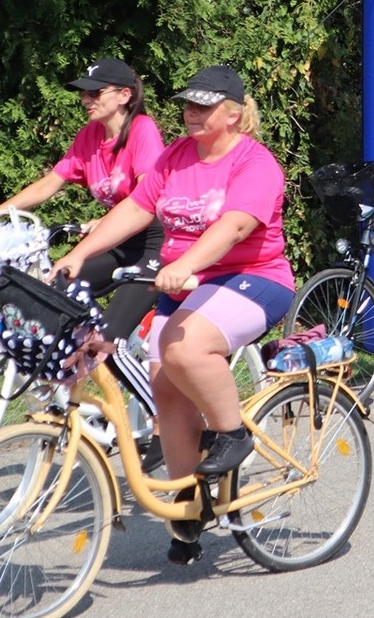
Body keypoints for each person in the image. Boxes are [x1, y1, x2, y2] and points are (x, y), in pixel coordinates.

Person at [53, 65, 293, 565]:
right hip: (188, 281)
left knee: (185, 349)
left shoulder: (256, 162)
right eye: (188, 104)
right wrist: (81, 252)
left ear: (233, 114)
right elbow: (136, 211)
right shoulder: (176, 156)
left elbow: (232, 228)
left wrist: (183, 264)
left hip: (253, 278)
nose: (190, 113)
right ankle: (191, 506)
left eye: (203, 106)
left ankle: (232, 435)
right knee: (165, 385)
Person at [0, 58, 165, 345]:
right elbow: (51, 182)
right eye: (83, 93)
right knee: (55, 287)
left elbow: (144, 197)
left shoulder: (142, 130)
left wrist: (104, 222)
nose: (86, 99)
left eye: (95, 93)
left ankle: (128, 367)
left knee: (105, 339)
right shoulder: (90, 136)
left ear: (125, 95)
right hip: (117, 240)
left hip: (153, 243)